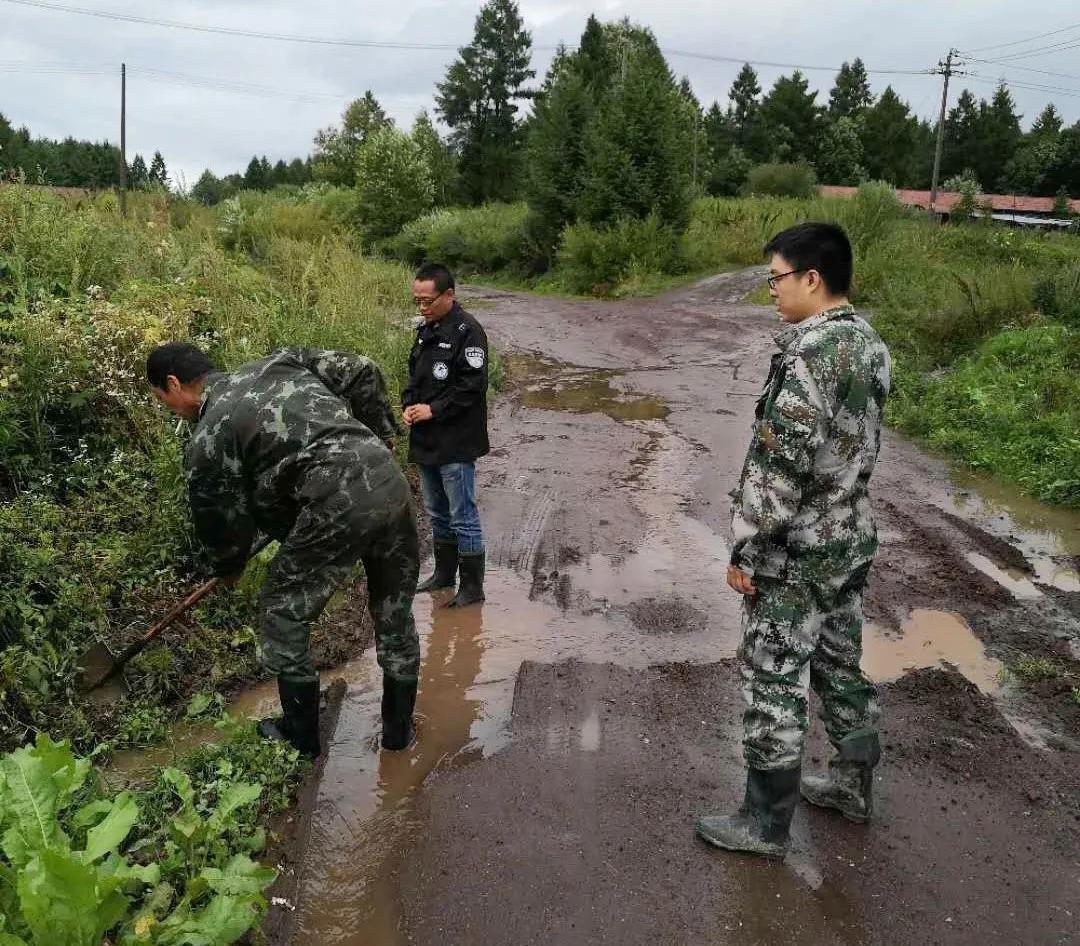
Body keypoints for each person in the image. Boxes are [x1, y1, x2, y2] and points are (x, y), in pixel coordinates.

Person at [696, 222, 891, 858]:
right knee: (838, 661)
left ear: (812, 278)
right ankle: (853, 784)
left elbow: (780, 467)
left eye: (776, 278)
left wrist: (748, 549)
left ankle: (764, 823)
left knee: (773, 674)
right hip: (847, 539)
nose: (771, 291)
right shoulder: (870, 345)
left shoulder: (809, 355)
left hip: (797, 551)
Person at [146, 342, 421, 756]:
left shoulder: (208, 436)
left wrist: (228, 565)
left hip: (336, 502)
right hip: (388, 481)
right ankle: (399, 735)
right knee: (394, 610)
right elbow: (363, 367)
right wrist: (380, 436)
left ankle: (300, 738)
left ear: (173, 385)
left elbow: (218, 517)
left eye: (160, 399)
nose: (167, 407)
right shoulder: (279, 361)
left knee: (282, 613)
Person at [402, 263, 490, 608]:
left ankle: (471, 588)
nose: (422, 308)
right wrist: (409, 405)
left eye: (428, 301)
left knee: (462, 514)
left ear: (449, 294)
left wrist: (434, 410)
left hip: (455, 439)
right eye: (417, 302)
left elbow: (472, 387)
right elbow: (415, 376)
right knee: (437, 512)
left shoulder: (469, 332)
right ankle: (443, 574)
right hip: (425, 439)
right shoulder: (427, 330)